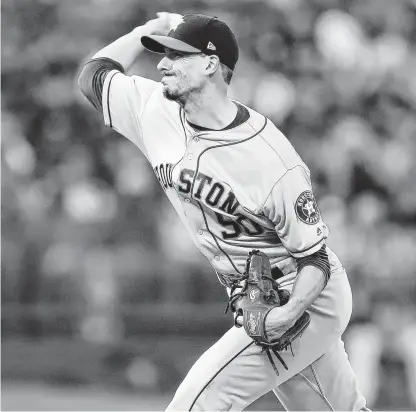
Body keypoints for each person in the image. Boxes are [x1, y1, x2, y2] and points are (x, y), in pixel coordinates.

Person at [77, 11, 369, 411]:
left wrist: (286, 316)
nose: (162, 64)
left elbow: (314, 259)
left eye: (176, 56)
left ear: (211, 64)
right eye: (163, 54)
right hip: (252, 292)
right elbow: (94, 75)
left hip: (305, 294)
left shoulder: (271, 157)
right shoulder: (153, 110)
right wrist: (144, 31)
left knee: (195, 404)